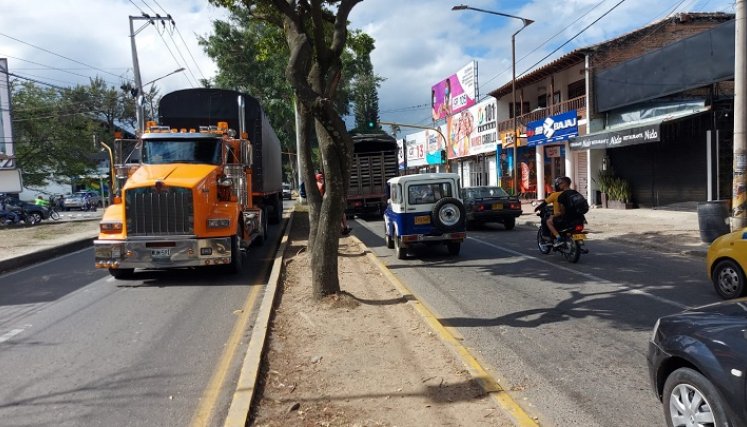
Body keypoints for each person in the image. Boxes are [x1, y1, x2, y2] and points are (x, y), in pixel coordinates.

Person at [537, 176, 582, 248]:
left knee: (548, 221)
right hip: (579, 218)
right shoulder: (575, 193)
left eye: (560, 183)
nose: (559, 185)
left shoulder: (557, 195)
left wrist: (537, 208)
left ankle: (558, 238)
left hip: (564, 219)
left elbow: (561, 210)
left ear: (563, 184)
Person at [315, 171, 351, 235]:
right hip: (325, 202)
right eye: (320, 178)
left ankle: (344, 228)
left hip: (328, 201)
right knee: (338, 214)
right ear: (318, 178)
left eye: (322, 177)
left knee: (341, 214)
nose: (322, 178)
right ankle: (343, 228)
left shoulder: (321, 184)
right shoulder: (319, 184)